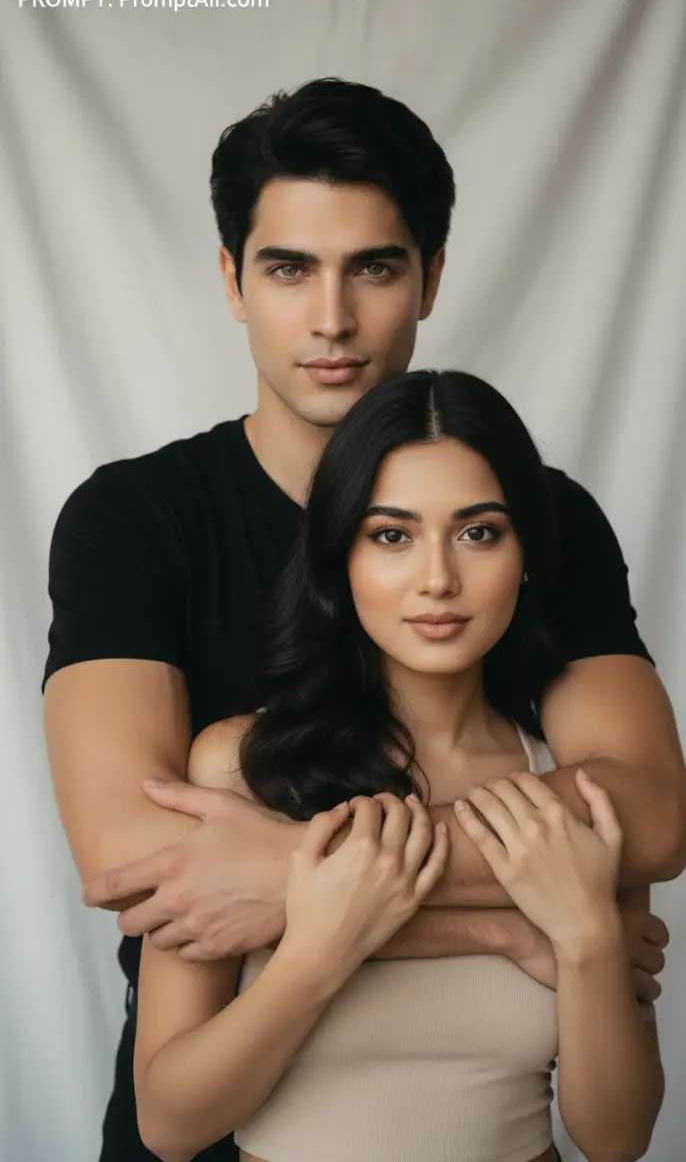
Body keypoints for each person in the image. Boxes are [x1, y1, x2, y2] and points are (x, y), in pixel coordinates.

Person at [42, 79, 682, 1162]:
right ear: (232, 282)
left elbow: (651, 815)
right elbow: (144, 861)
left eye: (373, 267)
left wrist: (292, 870)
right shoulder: (135, 518)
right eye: (289, 269)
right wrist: (506, 918)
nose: (330, 319)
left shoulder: (538, 513)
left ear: (430, 277)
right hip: (208, 1109)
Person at [132, 369, 665, 1162]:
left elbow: (617, 1139)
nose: (438, 579)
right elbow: (170, 1126)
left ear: (526, 554)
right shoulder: (240, 772)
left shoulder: (573, 792)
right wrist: (322, 949)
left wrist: (585, 941)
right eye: (391, 534)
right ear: (339, 557)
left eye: (479, 531)